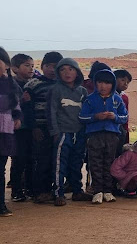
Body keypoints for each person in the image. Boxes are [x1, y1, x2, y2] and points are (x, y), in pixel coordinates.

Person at [47, 58, 93, 206]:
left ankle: (77, 190)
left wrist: (86, 132)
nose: (67, 73)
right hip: (63, 132)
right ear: (58, 73)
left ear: (77, 72)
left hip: (79, 132)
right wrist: (55, 131)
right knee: (60, 163)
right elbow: (51, 112)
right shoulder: (55, 90)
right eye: (62, 69)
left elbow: (87, 113)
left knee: (77, 162)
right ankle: (58, 193)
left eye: (71, 69)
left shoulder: (82, 91)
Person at [79, 68, 128, 204]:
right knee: (95, 163)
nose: (103, 86)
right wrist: (95, 117)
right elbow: (82, 117)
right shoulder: (90, 99)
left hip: (112, 135)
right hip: (95, 135)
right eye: (100, 82)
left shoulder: (117, 99)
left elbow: (125, 116)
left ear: (112, 84)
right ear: (95, 83)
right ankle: (97, 191)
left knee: (109, 162)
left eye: (107, 83)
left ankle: (108, 190)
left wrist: (115, 117)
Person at [24, 51, 63, 203]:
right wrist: (34, 127)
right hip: (40, 128)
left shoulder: (62, 85)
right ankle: (39, 191)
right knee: (42, 159)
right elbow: (27, 109)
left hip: (58, 128)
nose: (52, 70)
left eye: (55, 67)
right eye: (48, 66)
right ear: (42, 66)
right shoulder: (33, 84)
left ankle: (52, 189)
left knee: (56, 160)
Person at [9, 53, 34, 202]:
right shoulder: (11, 85)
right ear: (14, 68)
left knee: (32, 158)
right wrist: (22, 101)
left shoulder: (33, 84)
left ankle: (30, 188)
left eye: (32, 66)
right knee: (19, 159)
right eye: (26, 65)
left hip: (31, 126)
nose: (31, 69)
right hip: (17, 129)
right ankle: (16, 190)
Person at [0, 47, 23, 216]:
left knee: (1, 169)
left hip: (5, 132)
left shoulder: (10, 84)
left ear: (6, 65)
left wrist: (17, 118)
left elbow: (16, 104)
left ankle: (0, 204)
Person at [114, 69, 132, 145]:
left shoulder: (124, 97)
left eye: (127, 82)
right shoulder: (106, 95)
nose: (125, 84)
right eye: (122, 80)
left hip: (121, 130)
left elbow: (125, 117)